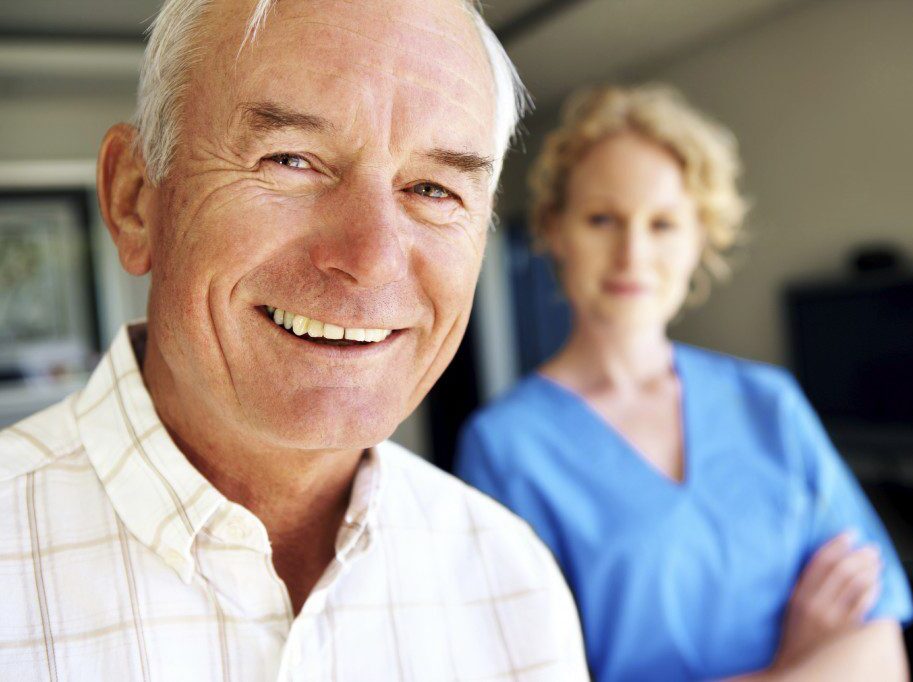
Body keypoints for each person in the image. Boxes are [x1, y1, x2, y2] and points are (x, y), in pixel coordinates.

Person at [0, 1, 589, 679]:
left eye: (431, 188)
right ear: (135, 199)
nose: (369, 257)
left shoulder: (510, 580)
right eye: (292, 160)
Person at [456, 85, 913, 681]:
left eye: (664, 223)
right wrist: (785, 670)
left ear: (700, 238)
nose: (633, 253)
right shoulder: (506, 447)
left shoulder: (768, 404)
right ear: (554, 229)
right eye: (603, 220)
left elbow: (879, 658)